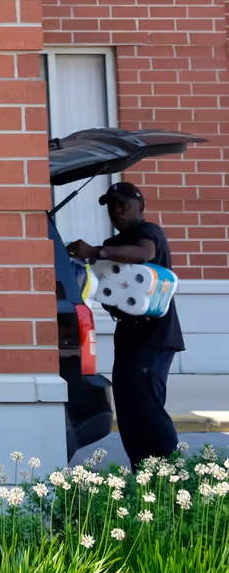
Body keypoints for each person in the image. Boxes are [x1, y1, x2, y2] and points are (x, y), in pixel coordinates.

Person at [66, 181, 184, 466]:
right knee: (129, 410)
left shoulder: (149, 232)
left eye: (123, 204)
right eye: (111, 206)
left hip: (155, 338)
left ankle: (171, 472)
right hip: (129, 337)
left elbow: (143, 253)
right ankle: (141, 472)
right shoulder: (112, 244)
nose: (116, 210)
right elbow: (108, 288)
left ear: (140, 207)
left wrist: (96, 252)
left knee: (148, 407)